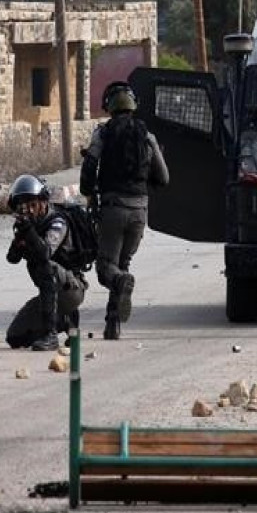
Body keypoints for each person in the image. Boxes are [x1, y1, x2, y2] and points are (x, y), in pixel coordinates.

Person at [79, 81, 169, 340]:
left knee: (107, 268)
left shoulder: (103, 134)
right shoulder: (147, 137)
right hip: (139, 210)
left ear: (108, 106)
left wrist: (89, 192)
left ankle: (120, 286)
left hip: (113, 209)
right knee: (122, 264)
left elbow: (90, 166)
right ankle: (112, 324)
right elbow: (163, 178)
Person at [4, 174, 87, 351]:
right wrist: (21, 235)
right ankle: (66, 322)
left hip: (71, 290)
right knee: (15, 337)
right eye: (24, 207)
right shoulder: (28, 226)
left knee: (44, 266)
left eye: (33, 205)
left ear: (43, 202)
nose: (29, 210)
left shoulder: (57, 222)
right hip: (51, 295)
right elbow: (12, 258)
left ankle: (51, 334)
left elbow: (45, 253)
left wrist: (29, 232)